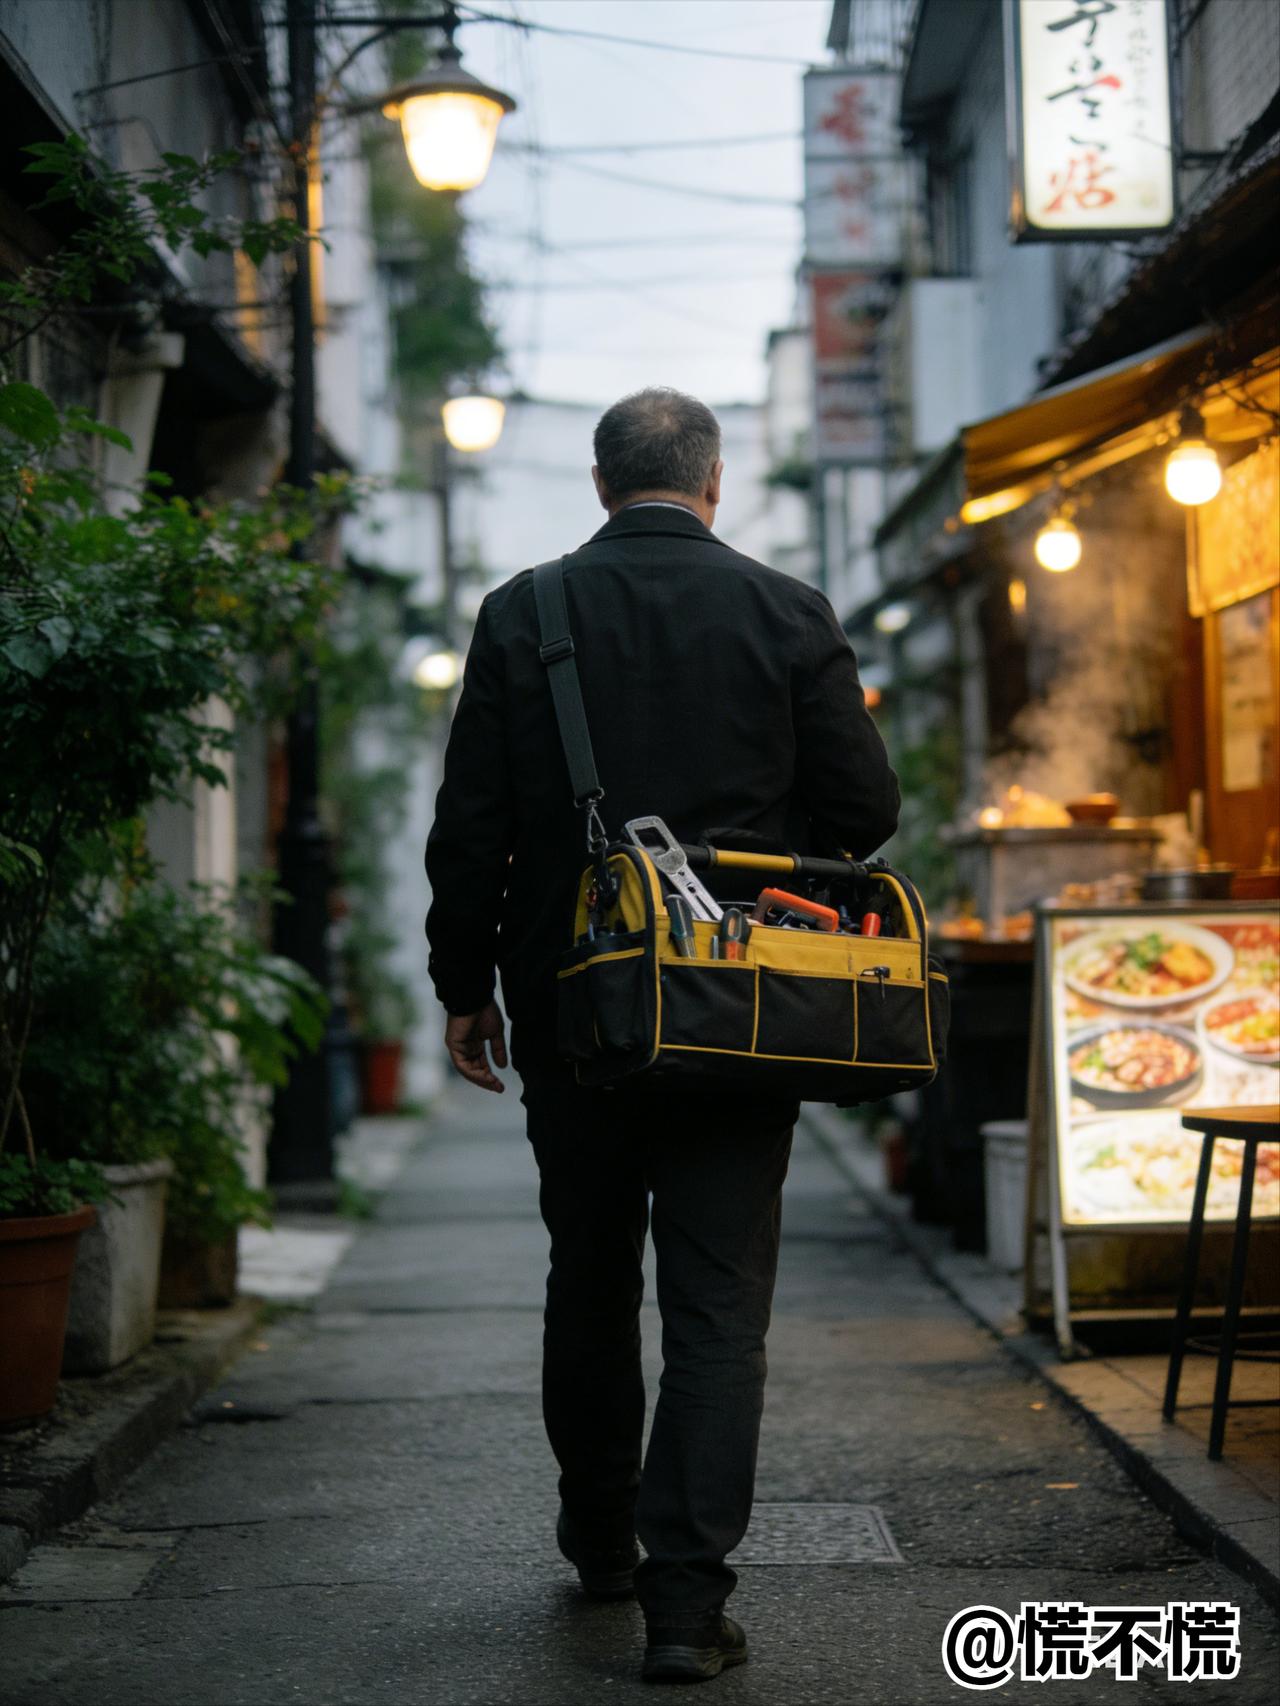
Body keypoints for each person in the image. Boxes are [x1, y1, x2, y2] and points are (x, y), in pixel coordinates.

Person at [425, 387, 898, 1684]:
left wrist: (464, 984)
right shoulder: (788, 611)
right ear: (715, 481)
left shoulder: (526, 612)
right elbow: (865, 807)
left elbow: (471, 824)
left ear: (598, 483)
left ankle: (601, 1542)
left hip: (577, 1006)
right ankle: (686, 1605)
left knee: (588, 1274)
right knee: (716, 1304)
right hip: (742, 1004)